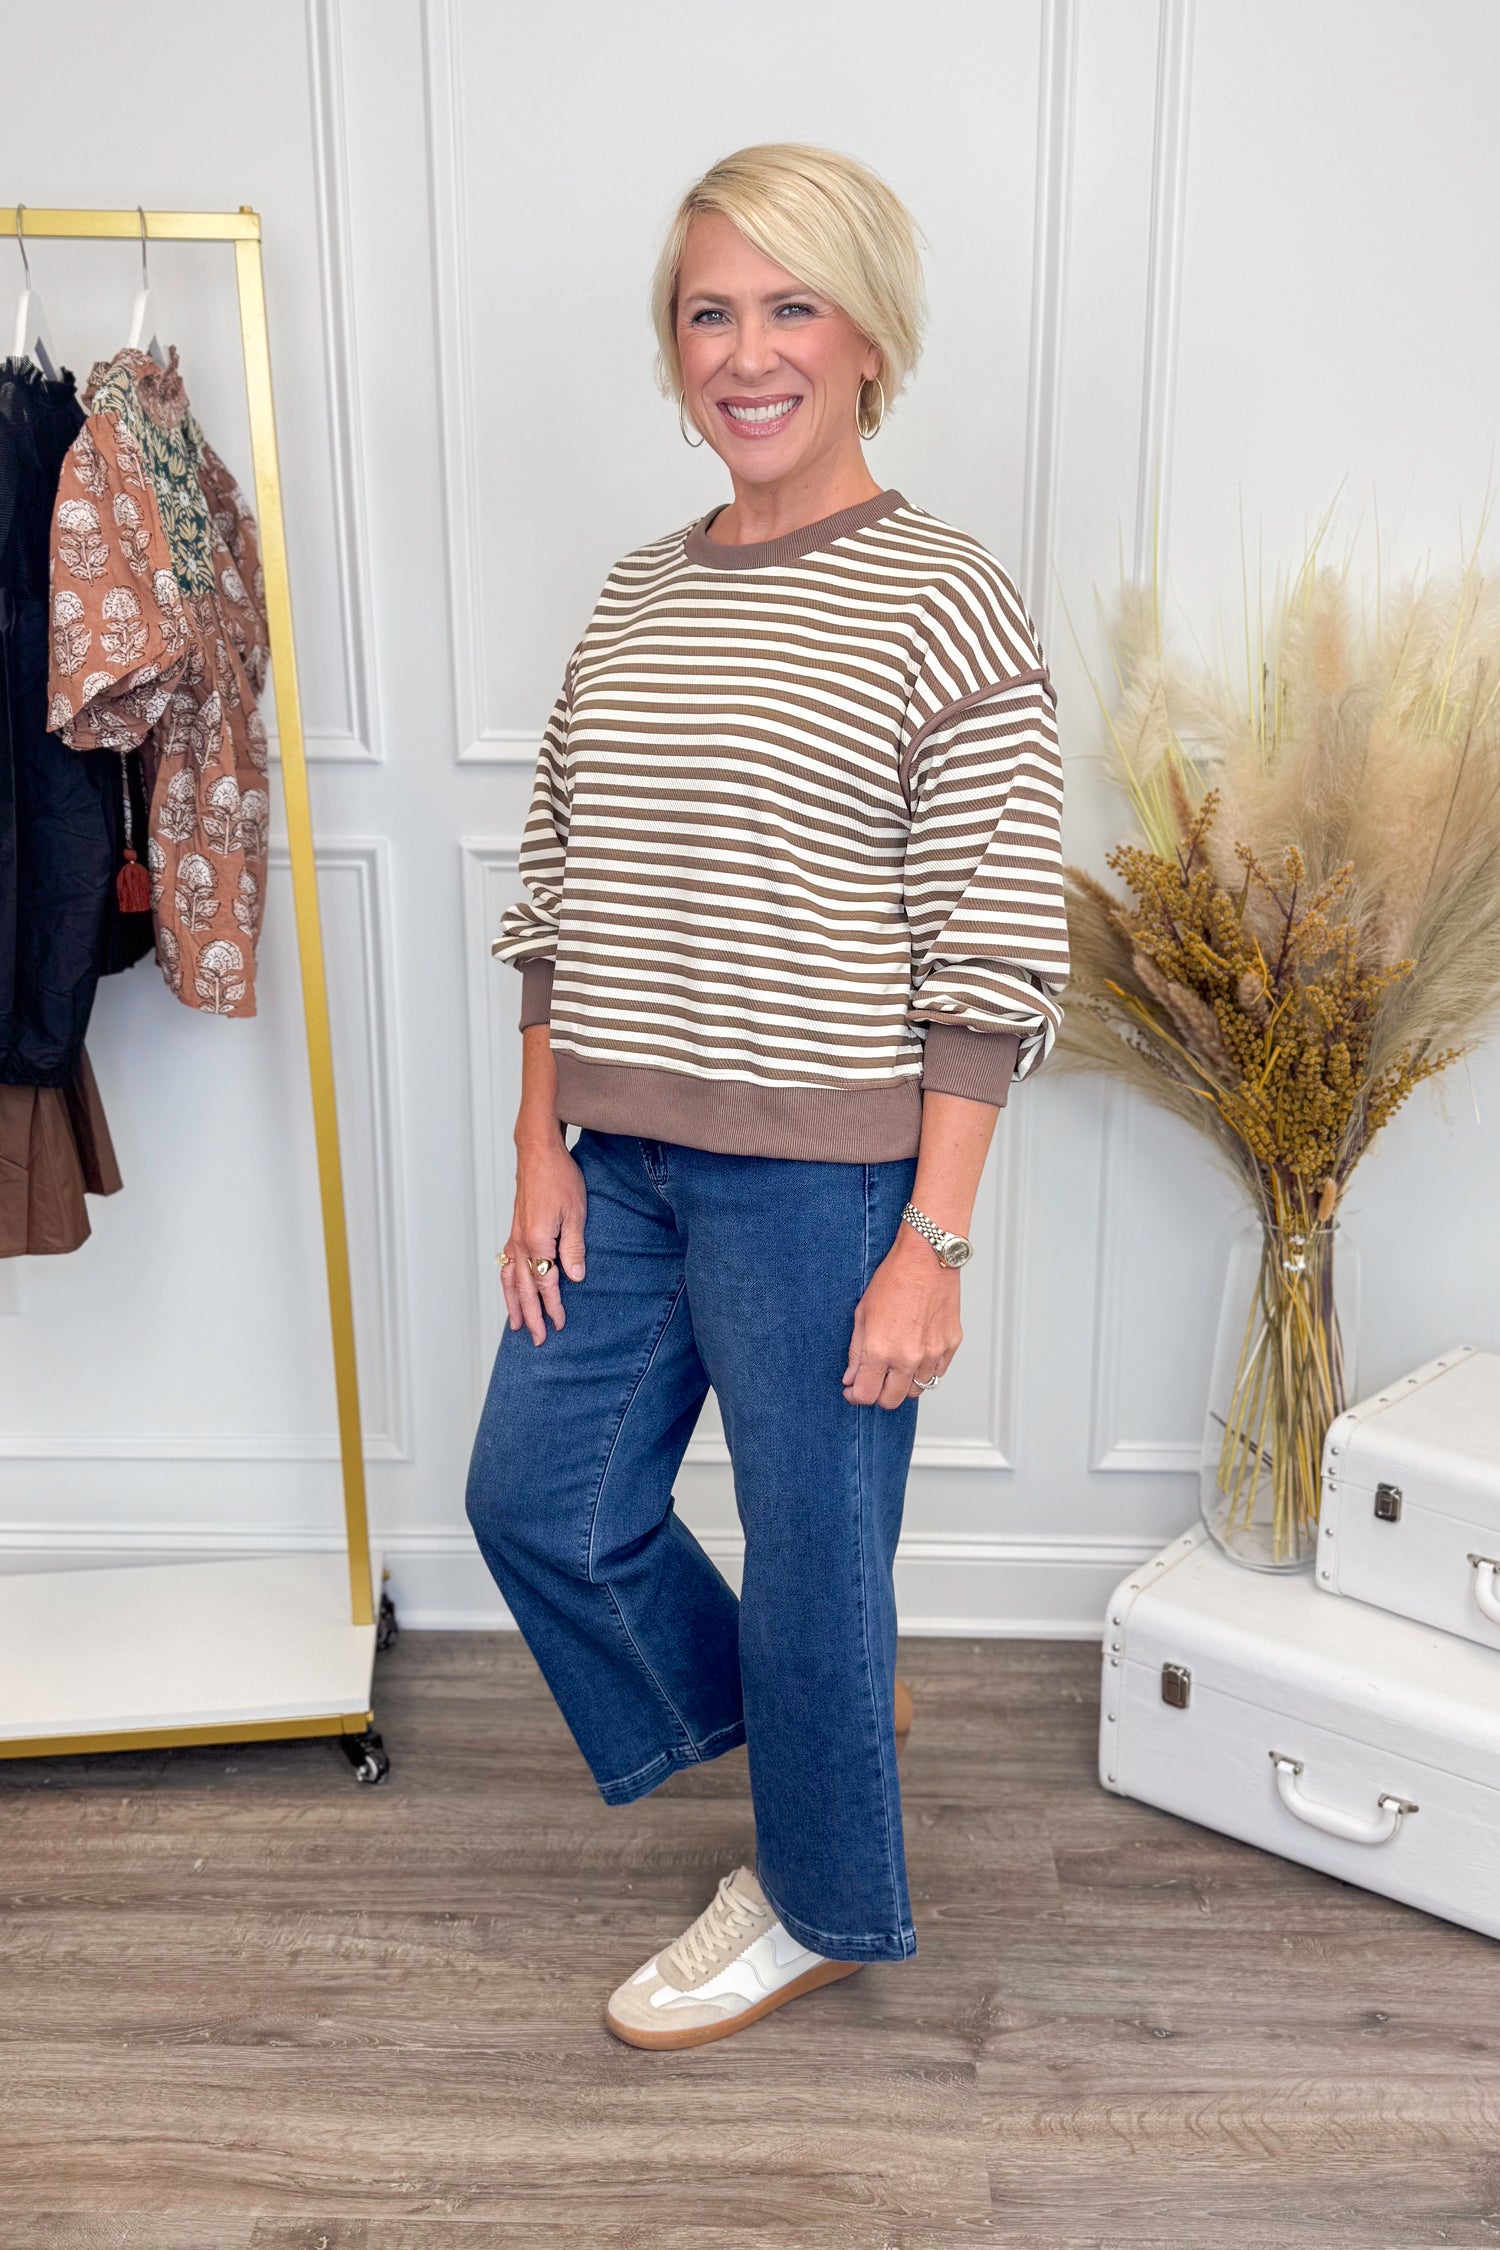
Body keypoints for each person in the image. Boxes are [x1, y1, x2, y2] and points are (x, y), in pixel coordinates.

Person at [465, 143, 1068, 2050]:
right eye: (709, 312)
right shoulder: (637, 597)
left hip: (826, 1184)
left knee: (817, 1560)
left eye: (792, 306)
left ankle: (814, 1897)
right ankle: (825, 1710)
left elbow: (992, 946)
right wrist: (539, 1146)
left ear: (871, 336)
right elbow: (559, 890)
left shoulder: (948, 601)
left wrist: (933, 1240)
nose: (747, 352)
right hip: (624, 1163)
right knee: (538, 1504)